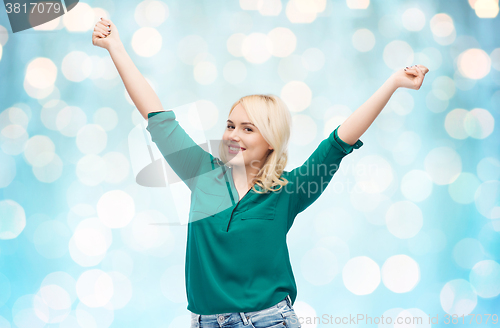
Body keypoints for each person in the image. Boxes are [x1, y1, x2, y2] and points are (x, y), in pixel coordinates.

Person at [92, 17, 429, 328]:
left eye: (247, 129)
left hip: (270, 321)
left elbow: (339, 140)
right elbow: (158, 116)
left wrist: (394, 82)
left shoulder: (288, 190)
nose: (232, 135)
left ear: (270, 140)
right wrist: (116, 48)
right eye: (229, 126)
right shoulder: (202, 173)